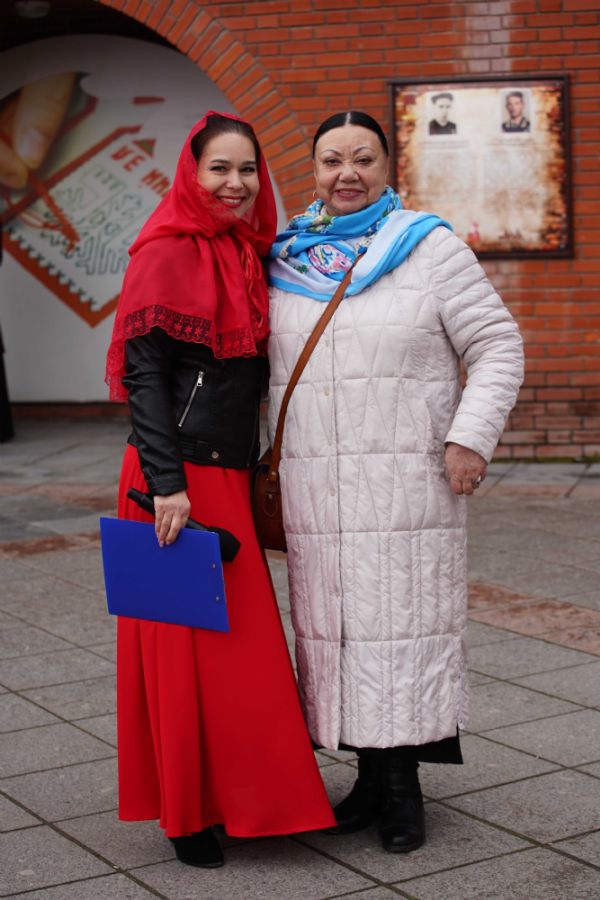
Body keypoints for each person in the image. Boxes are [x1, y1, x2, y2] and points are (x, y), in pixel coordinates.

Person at [268, 110, 524, 854]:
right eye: (331, 160)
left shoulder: (429, 247)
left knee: (401, 630)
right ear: (314, 171)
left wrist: (469, 438)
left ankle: (403, 788)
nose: (346, 173)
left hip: (406, 485)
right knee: (337, 635)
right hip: (317, 490)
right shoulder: (286, 259)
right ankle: (369, 781)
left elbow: (498, 344)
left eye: (363, 158)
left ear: (387, 168)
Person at [105, 111, 335, 869]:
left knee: (238, 652)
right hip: (174, 480)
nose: (235, 185)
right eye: (219, 169)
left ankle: (250, 798)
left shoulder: (248, 251)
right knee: (184, 651)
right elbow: (144, 377)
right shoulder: (166, 251)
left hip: (225, 473)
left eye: (247, 171)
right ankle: (186, 814)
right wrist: (167, 486)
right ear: (191, 173)